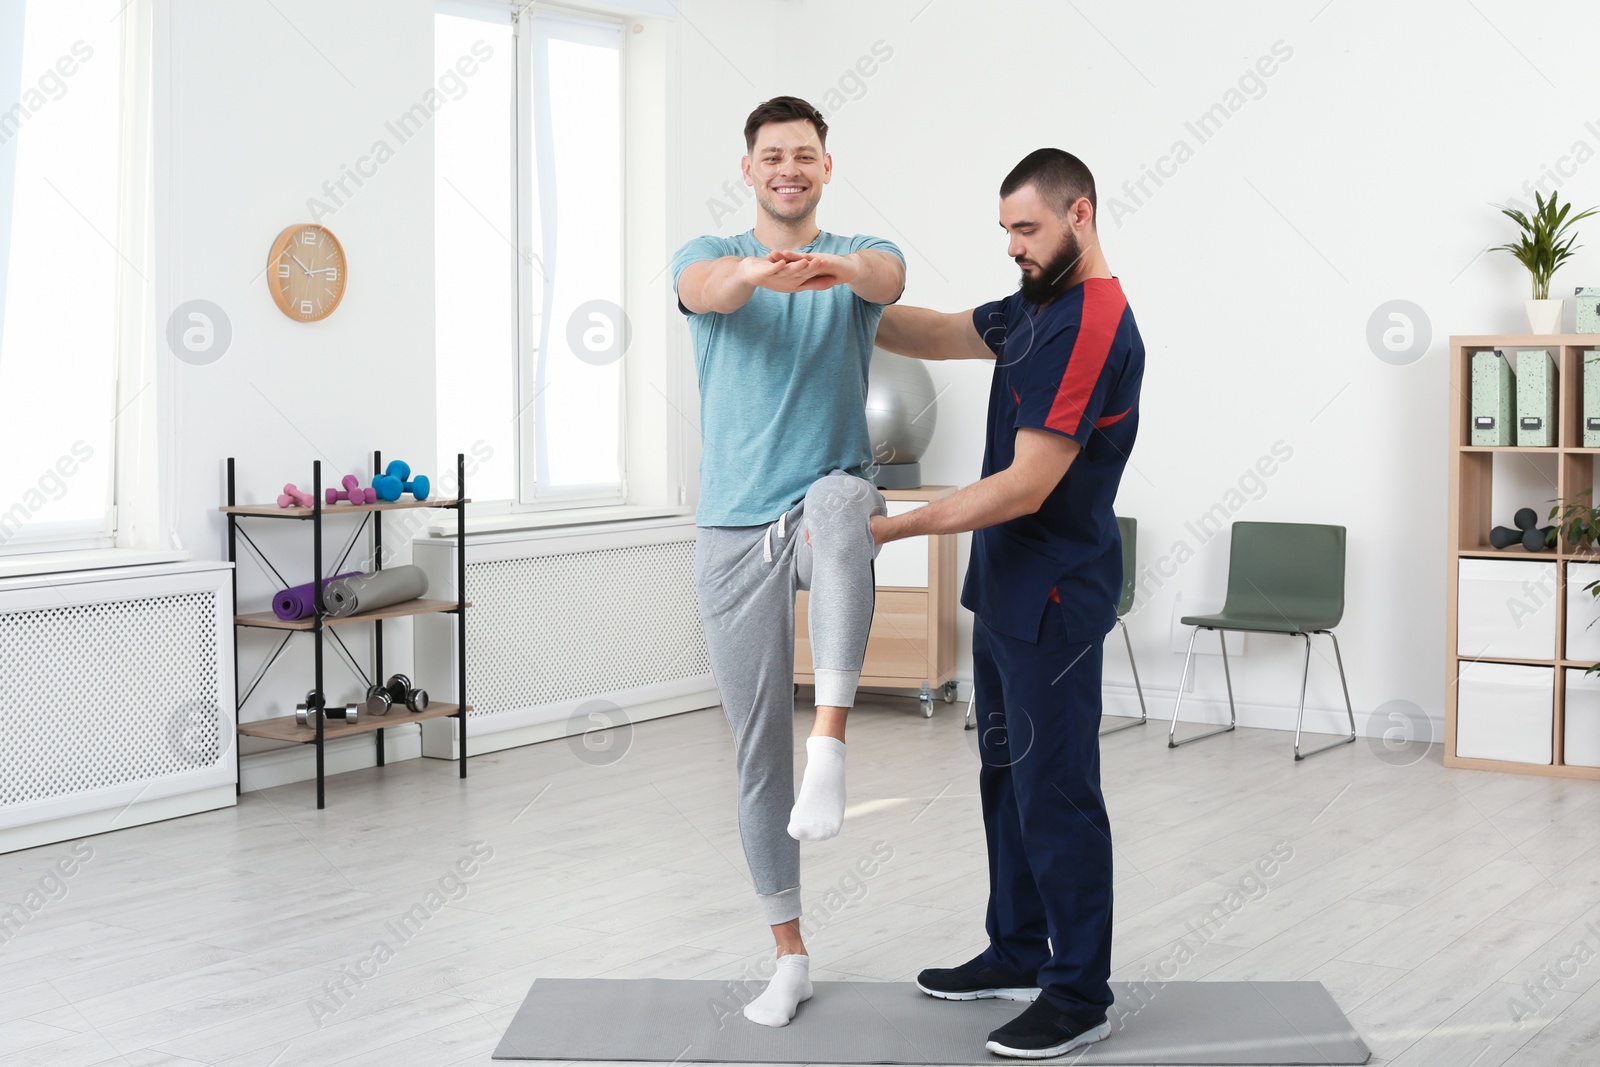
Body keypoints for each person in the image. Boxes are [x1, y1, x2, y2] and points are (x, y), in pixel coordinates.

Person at [871, 148, 1143, 1059]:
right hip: (1005, 589)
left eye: (1028, 229)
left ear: (1082, 213)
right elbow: (942, 330)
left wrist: (891, 529)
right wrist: (845, 305)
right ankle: (1020, 946)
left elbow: (1028, 485)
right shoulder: (1037, 302)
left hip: (1057, 599)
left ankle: (1080, 990)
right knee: (1004, 779)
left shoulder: (1093, 323)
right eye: (1007, 233)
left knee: (1057, 789)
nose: (1015, 248)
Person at [670, 95, 906, 1028]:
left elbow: (886, 278)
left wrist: (832, 268)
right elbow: (708, 294)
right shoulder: (705, 254)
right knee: (753, 757)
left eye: (804, 154)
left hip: (820, 512)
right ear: (750, 169)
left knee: (846, 494)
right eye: (773, 155)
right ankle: (790, 953)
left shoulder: (857, 260)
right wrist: (763, 273)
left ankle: (835, 741)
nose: (788, 169)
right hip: (732, 529)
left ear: (825, 166)